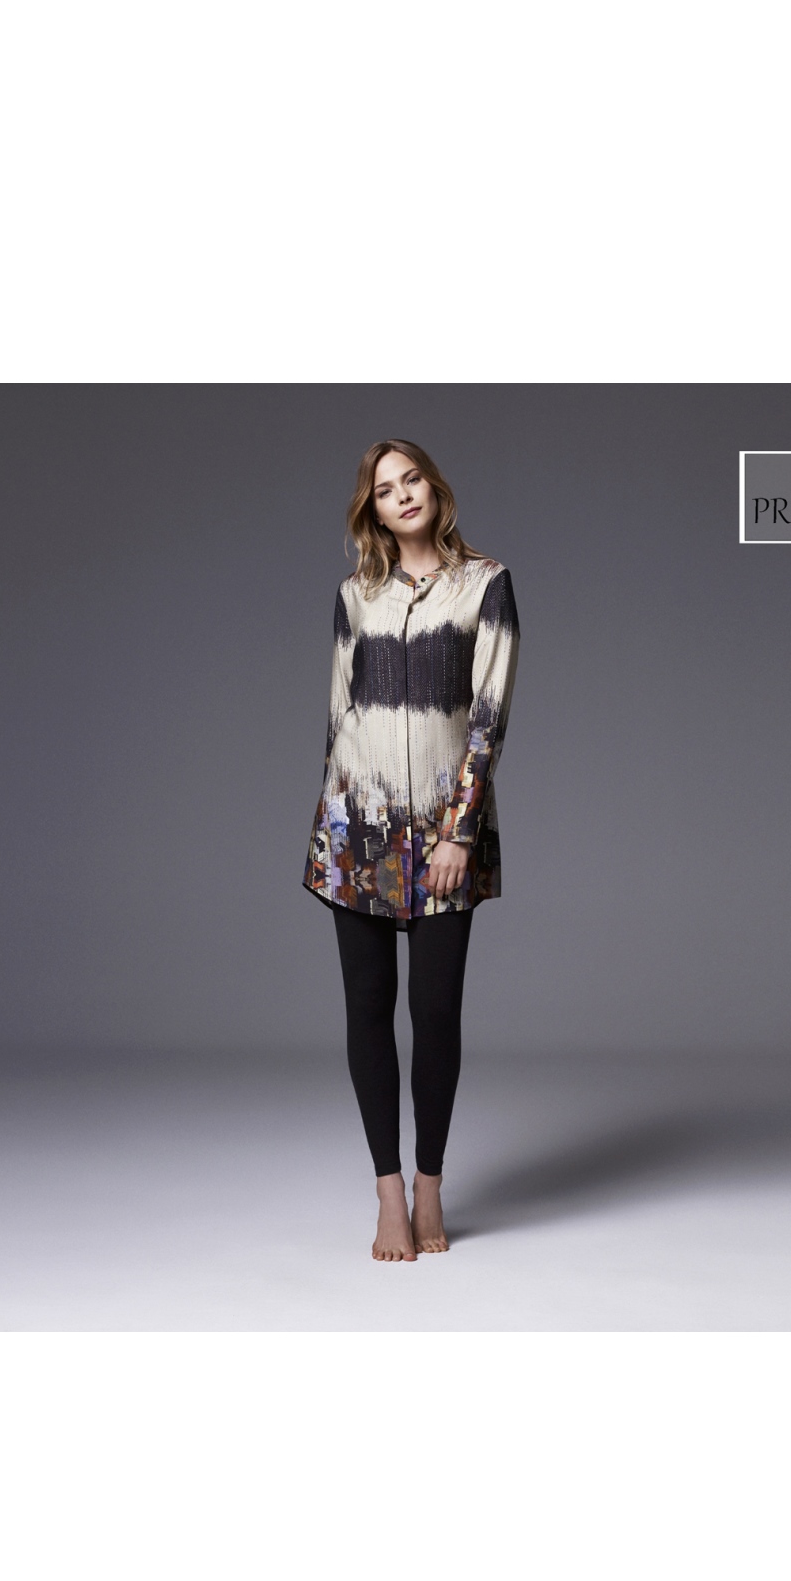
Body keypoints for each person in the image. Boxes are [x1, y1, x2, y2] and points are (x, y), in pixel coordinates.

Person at [302, 439, 521, 1261]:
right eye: (384, 489)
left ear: (434, 485)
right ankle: (388, 1193)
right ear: (374, 511)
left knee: (434, 1013)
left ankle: (431, 1183)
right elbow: (338, 717)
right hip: (354, 829)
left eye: (412, 479)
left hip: (442, 834)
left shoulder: (486, 585)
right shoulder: (354, 595)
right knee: (366, 1008)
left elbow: (488, 718)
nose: (402, 495)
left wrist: (460, 830)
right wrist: (332, 829)